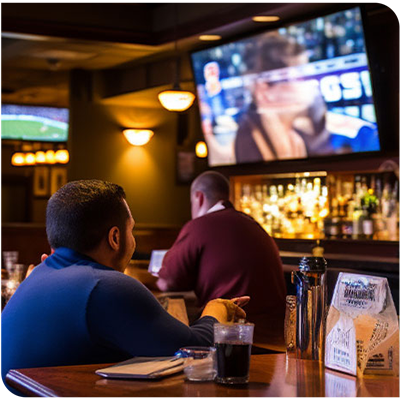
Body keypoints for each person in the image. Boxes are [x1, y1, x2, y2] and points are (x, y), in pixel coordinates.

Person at [0, 180, 246, 398]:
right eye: (132, 229)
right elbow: (193, 351)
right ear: (115, 238)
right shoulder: (104, 286)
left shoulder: (36, 276)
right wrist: (216, 310)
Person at [156, 171, 287, 348]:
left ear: (199, 198)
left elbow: (166, 282)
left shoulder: (200, 225)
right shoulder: (255, 225)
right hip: (278, 340)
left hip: (234, 340)